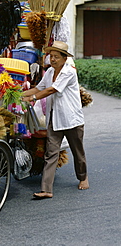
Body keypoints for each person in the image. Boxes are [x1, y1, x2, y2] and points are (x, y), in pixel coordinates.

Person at [22, 41, 89, 199]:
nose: (52, 60)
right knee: (51, 153)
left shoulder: (69, 71)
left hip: (72, 119)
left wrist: (32, 98)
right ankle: (46, 190)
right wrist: (20, 94)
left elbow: (52, 89)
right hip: (55, 119)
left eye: (56, 57)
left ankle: (83, 177)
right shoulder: (51, 72)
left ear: (64, 58)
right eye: (51, 56)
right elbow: (39, 87)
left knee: (77, 152)